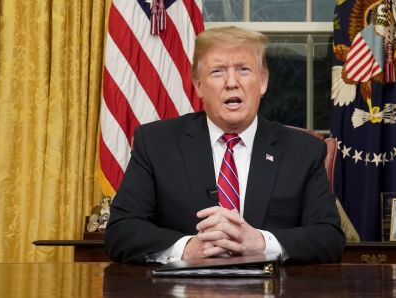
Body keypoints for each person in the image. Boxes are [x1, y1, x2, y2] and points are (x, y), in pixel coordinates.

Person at [105, 26, 345, 265]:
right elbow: (121, 231)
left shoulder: (304, 151)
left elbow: (328, 237)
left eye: (243, 69)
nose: (232, 83)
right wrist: (186, 249)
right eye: (218, 71)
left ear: (263, 82)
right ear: (199, 85)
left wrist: (261, 243)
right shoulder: (156, 143)